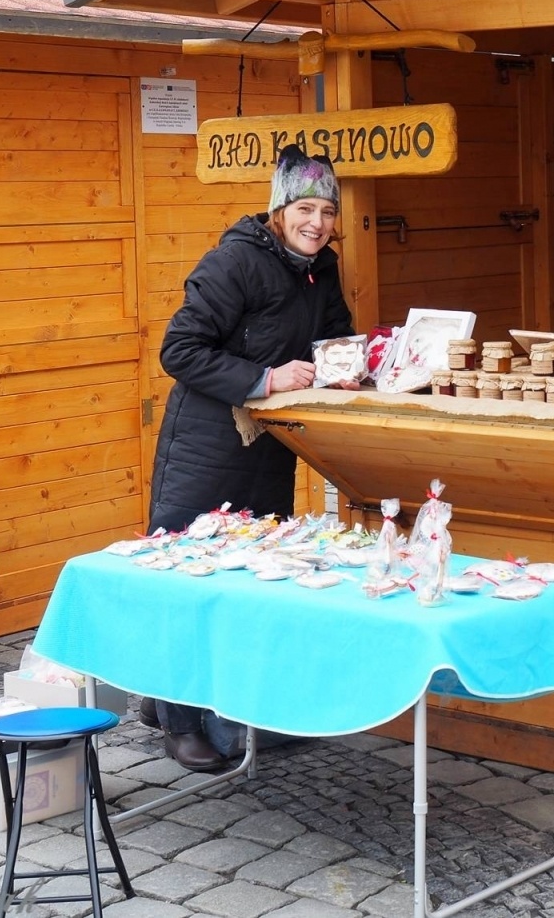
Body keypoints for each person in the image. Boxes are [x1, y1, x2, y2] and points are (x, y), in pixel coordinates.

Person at [141, 145, 354, 770]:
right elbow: (178, 350)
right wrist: (265, 378)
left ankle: (219, 704)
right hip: (205, 447)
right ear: (280, 209)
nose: (316, 223)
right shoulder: (235, 261)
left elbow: (335, 333)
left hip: (267, 448)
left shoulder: (321, 269)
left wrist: (346, 366)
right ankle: (177, 720)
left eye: (327, 211)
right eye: (305, 209)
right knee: (192, 575)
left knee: (255, 573)